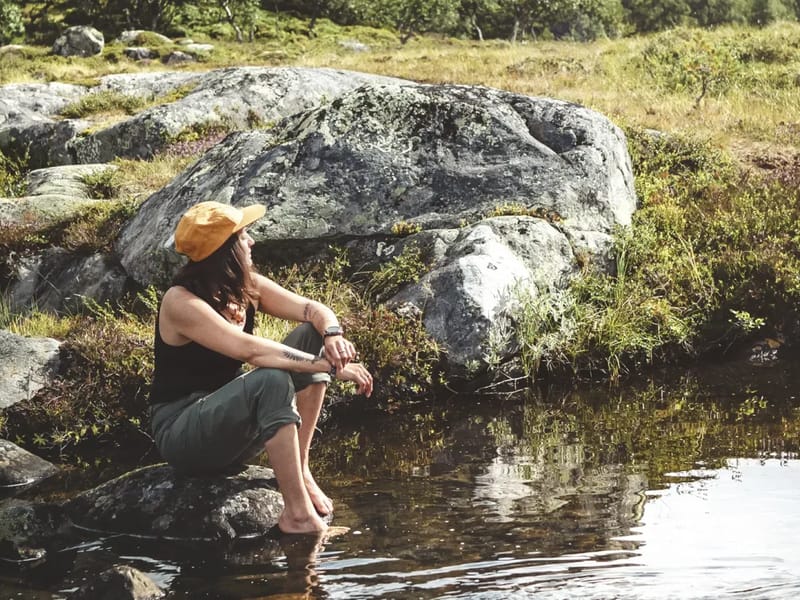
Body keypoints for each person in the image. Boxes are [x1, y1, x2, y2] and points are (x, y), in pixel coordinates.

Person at [148, 201, 373, 535]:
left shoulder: (246, 286)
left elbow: (313, 309)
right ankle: (297, 515)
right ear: (226, 249)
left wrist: (332, 335)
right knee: (270, 379)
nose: (251, 242)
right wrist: (328, 366)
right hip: (183, 431)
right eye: (243, 236)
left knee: (310, 334)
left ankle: (300, 466)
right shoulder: (181, 302)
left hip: (229, 420)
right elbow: (249, 350)